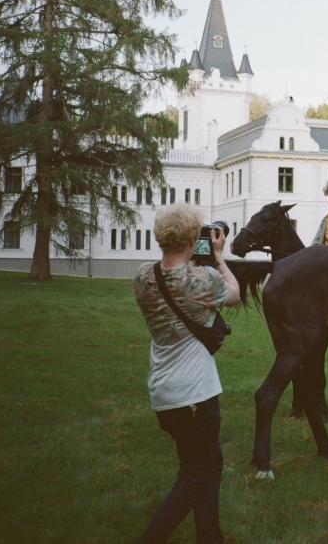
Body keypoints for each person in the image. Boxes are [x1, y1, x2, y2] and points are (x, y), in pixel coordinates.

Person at [133, 204, 240, 544]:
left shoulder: (142, 277)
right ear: (194, 240)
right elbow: (234, 295)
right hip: (194, 395)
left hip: (164, 392)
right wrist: (220, 257)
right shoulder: (202, 279)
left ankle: (210, 536)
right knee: (194, 474)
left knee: (211, 460)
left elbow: (175, 277)